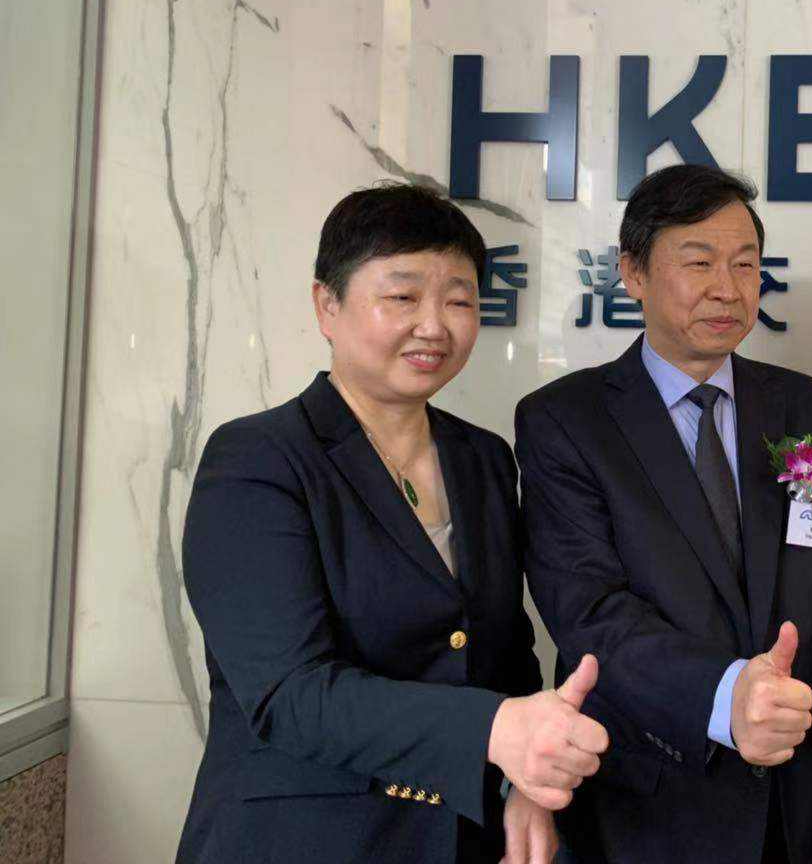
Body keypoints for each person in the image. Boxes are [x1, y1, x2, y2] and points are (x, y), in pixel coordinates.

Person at [514, 164, 812, 863]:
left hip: (807, 806)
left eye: (746, 264)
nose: (727, 288)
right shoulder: (567, 421)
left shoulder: (807, 408)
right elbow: (587, 607)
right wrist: (724, 694)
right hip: (653, 807)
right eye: (699, 262)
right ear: (633, 273)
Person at [177, 183, 608, 864]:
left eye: (459, 301)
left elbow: (504, 654)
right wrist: (495, 729)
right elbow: (289, 694)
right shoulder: (259, 458)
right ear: (327, 304)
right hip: (305, 842)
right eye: (403, 297)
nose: (434, 325)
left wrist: (526, 781)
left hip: (465, 838)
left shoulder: (483, 458)